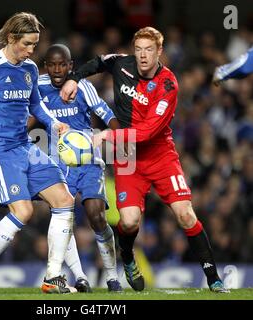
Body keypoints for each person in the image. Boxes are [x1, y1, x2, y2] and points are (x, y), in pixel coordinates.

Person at [60, 26, 229, 293]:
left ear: (159, 51)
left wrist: (107, 136)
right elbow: (100, 62)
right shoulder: (122, 64)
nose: (142, 55)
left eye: (149, 50)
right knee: (127, 222)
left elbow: (149, 131)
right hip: (128, 157)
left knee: (185, 214)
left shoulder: (168, 84)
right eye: (138, 49)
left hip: (160, 155)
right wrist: (74, 78)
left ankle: (213, 278)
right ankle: (127, 257)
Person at [0, 12, 77, 295]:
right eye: (27, 44)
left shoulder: (30, 69)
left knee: (64, 199)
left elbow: (36, 106)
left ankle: (53, 278)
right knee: (23, 212)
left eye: (34, 45)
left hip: (25, 146)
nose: (31, 51)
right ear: (12, 38)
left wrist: (53, 122)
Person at [30, 44, 123, 292]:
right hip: (58, 164)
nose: (58, 69)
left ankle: (112, 277)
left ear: (71, 66)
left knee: (96, 215)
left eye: (63, 64)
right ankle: (81, 277)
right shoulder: (37, 87)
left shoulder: (83, 86)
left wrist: (113, 132)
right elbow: (25, 117)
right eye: (52, 64)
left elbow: (105, 113)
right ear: (46, 66)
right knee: (64, 218)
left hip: (88, 160)